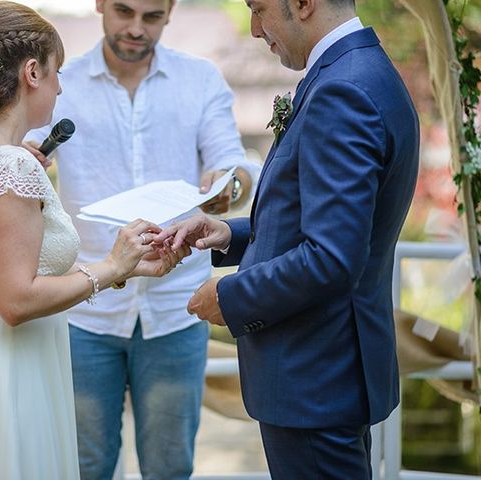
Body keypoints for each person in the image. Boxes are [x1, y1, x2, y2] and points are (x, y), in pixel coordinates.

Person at [0, 2, 188, 479]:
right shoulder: (11, 165)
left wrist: (125, 268)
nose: (62, 85)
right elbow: (17, 299)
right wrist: (110, 266)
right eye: (57, 71)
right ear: (32, 72)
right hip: (4, 363)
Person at [156, 0, 420, 478]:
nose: (256, 29)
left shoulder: (343, 89)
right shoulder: (361, 69)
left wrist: (231, 296)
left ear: (302, 3)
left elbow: (331, 258)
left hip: (316, 377)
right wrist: (227, 235)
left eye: (259, 9)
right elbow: (320, 221)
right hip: (326, 374)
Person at [24, 1, 260, 478]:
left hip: (176, 307)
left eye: (151, 16)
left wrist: (228, 187)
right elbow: (19, 148)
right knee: (85, 465)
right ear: (99, 5)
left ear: (171, 10)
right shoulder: (58, 82)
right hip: (84, 309)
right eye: (124, 11)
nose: (135, 28)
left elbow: (237, 166)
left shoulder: (201, 79)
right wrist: (26, 158)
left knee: (170, 466)